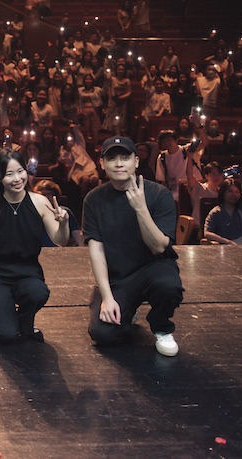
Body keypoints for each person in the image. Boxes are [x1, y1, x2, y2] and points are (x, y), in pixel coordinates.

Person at [84, 136, 184, 357]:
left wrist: (141, 209)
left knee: (168, 286)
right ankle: (125, 311)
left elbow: (159, 247)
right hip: (118, 277)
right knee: (103, 334)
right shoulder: (94, 199)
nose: (119, 164)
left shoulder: (159, 195)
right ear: (102, 164)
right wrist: (107, 297)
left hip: (153, 268)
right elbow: (96, 250)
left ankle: (161, 327)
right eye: (112, 158)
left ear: (136, 161)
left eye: (125, 158)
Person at [0, 149, 70, 343]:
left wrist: (64, 223)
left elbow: (60, 240)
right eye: (9, 174)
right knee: (5, 335)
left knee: (38, 292)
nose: (17, 179)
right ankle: (2, 313)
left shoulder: (40, 202)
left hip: (28, 272)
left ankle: (25, 321)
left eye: (20, 171)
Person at [202, 178, 242, 245]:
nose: (234, 195)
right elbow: (207, 233)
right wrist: (228, 242)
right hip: (228, 248)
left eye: (237, 192)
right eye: (230, 191)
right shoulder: (216, 213)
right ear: (223, 193)